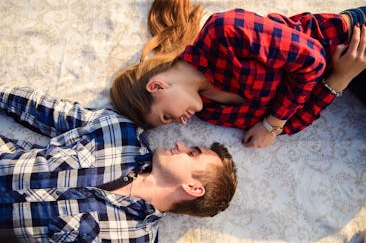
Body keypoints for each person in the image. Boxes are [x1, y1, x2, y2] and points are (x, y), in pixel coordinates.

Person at [110, 0, 366, 148]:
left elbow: (312, 59)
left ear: (157, 86)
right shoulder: (212, 113)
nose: (181, 121)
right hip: (351, 74)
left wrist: (271, 123)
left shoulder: (223, 33)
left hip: (355, 38)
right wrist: (341, 78)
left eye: (167, 116)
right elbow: (293, 123)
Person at [0, 85, 237, 242]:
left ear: (194, 188)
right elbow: (49, 111)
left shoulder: (134, 238)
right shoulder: (122, 133)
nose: (181, 145)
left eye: (193, 153)